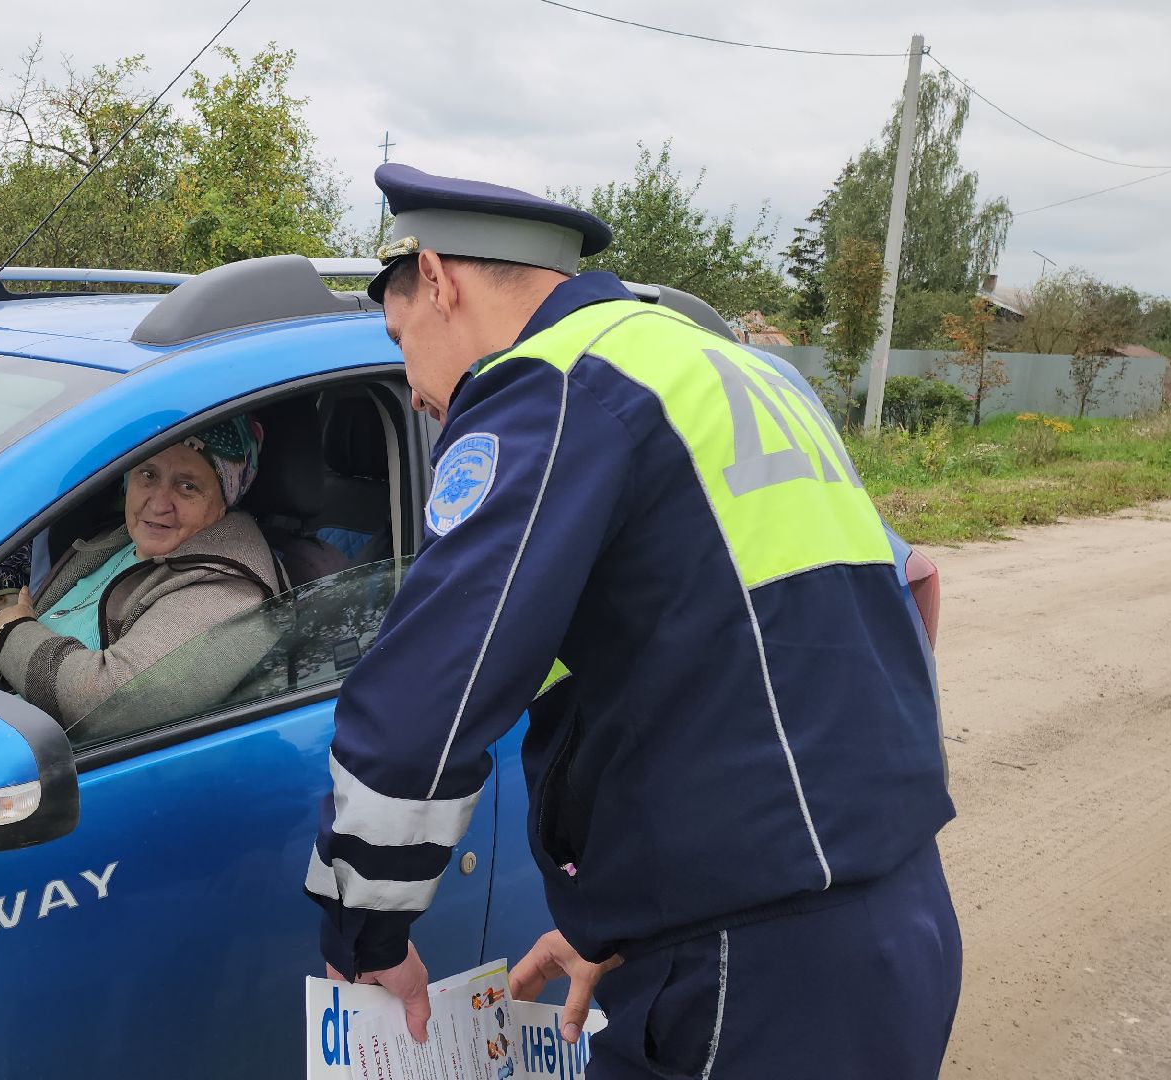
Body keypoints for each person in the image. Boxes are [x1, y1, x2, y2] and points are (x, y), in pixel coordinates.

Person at [305, 164, 958, 1079]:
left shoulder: (554, 384)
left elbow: (429, 698)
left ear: (439, 279)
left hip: (754, 970)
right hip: (891, 917)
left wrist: (365, 933)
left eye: (397, 333)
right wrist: (627, 921)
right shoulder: (722, 365)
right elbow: (792, 630)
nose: (412, 389)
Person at [0, 415, 281, 734]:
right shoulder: (117, 539)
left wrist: (10, 635)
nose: (159, 504)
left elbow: (109, 703)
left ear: (224, 501)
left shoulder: (228, 593)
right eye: (148, 475)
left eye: (188, 486)